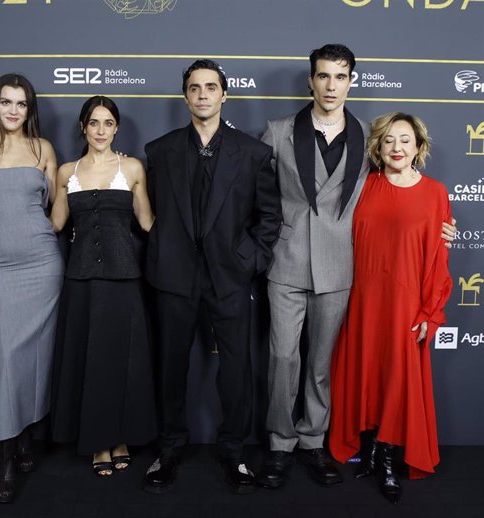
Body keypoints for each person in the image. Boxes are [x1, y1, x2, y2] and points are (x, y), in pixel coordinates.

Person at [257, 44, 456, 491]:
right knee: (283, 358)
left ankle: (312, 441)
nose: (331, 85)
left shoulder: (369, 137)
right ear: (311, 81)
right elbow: (256, 197)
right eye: (323, 76)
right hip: (286, 263)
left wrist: (438, 227)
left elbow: (401, 196)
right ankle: (279, 444)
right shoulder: (277, 131)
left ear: (351, 81)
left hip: (340, 268)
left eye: (340, 76)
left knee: (322, 365)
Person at [141, 59, 282, 494]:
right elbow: (152, 215)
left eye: (210, 87)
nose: (202, 94)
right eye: (194, 88)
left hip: (230, 278)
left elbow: (269, 218)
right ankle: (168, 451)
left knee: (236, 370)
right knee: (171, 369)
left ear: (225, 94)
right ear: (185, 96)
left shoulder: (254, 152)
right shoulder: (159, 151)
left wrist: (248, 261)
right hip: (175, 278)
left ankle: (234, 454)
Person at [329, 113, 452, 504]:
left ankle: (386, 457)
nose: (397, 148)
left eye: (405, 140)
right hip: (363, 301)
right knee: (366, 374)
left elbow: (437, 261)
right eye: (388, 141)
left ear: (418, 147)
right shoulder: (363, 186)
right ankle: (368, 448)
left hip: (405, 306)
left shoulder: (435, 193)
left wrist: (430, 313)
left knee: (398, 378)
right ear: (377, 148)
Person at [0, 74, 63, 503]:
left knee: (36, 356)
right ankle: (4, 453)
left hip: (42, 264)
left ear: (30, 109)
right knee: (3, 356)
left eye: (21, 104)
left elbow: (56, 212)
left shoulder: (43, 150)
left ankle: (24, 435)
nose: (12, 110)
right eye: (5, 102)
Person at [49, 95, 157, 477]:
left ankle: (121, 436)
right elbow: (55, 224)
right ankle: (97, 441)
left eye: (107, 123)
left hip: (124, 280)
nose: (100, 130)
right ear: (83, 127)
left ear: (116, 128)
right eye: (93, 123)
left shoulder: (131, 168)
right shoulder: (65, 172)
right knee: (90, 361)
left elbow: (147, 222)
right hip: (81, 281)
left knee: (123, 361)